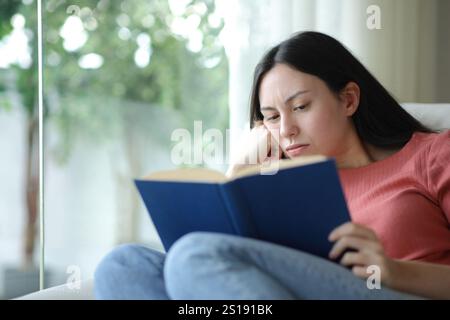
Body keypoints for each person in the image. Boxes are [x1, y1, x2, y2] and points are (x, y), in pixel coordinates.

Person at [94, 31, 450, 300]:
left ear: (349, 99)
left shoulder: (432, 155)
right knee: (123, 265)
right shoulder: (278, 185)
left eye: (300, 107)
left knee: (194, 255)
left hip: (394, 294)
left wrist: (393, 270)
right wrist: (239, 171)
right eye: (271, 117)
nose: (287, 129)